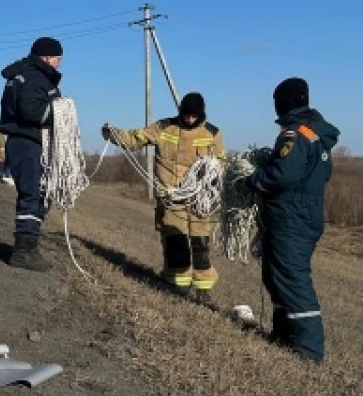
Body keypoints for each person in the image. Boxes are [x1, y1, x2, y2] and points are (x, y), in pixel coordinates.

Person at [242, 77, 339, 363]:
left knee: (292, 280)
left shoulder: (295, 134)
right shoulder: (316, 135)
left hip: (290, 220)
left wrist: (251, 181)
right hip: (302, 216)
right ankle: (284, 335)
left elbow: (282, 175)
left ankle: (308, 351)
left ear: (283, 102)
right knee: (277, 276)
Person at [102, 92, 227, 296]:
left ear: (201, 115)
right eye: (186, 115)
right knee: (175, 242)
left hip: (199, 200)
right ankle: (177, 285)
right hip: (171, 199)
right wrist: (114, 134)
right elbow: (136, 138)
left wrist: (212, 177)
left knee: (200, 244)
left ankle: (203, 290)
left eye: (193, 116)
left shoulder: (212, 133)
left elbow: (221, 162)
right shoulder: (163, 127)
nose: (189, 119)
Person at [0, 37, 63, 271]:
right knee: (32, 194)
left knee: (38, 193)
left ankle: (29, 244)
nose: (59, 64)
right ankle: (24, 251)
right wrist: (61, 112)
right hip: (26, 143)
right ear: (47, 57)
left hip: (25, 142)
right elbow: (31, 111)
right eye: (58, 59)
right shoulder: (35, 77)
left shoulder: (26, 74)